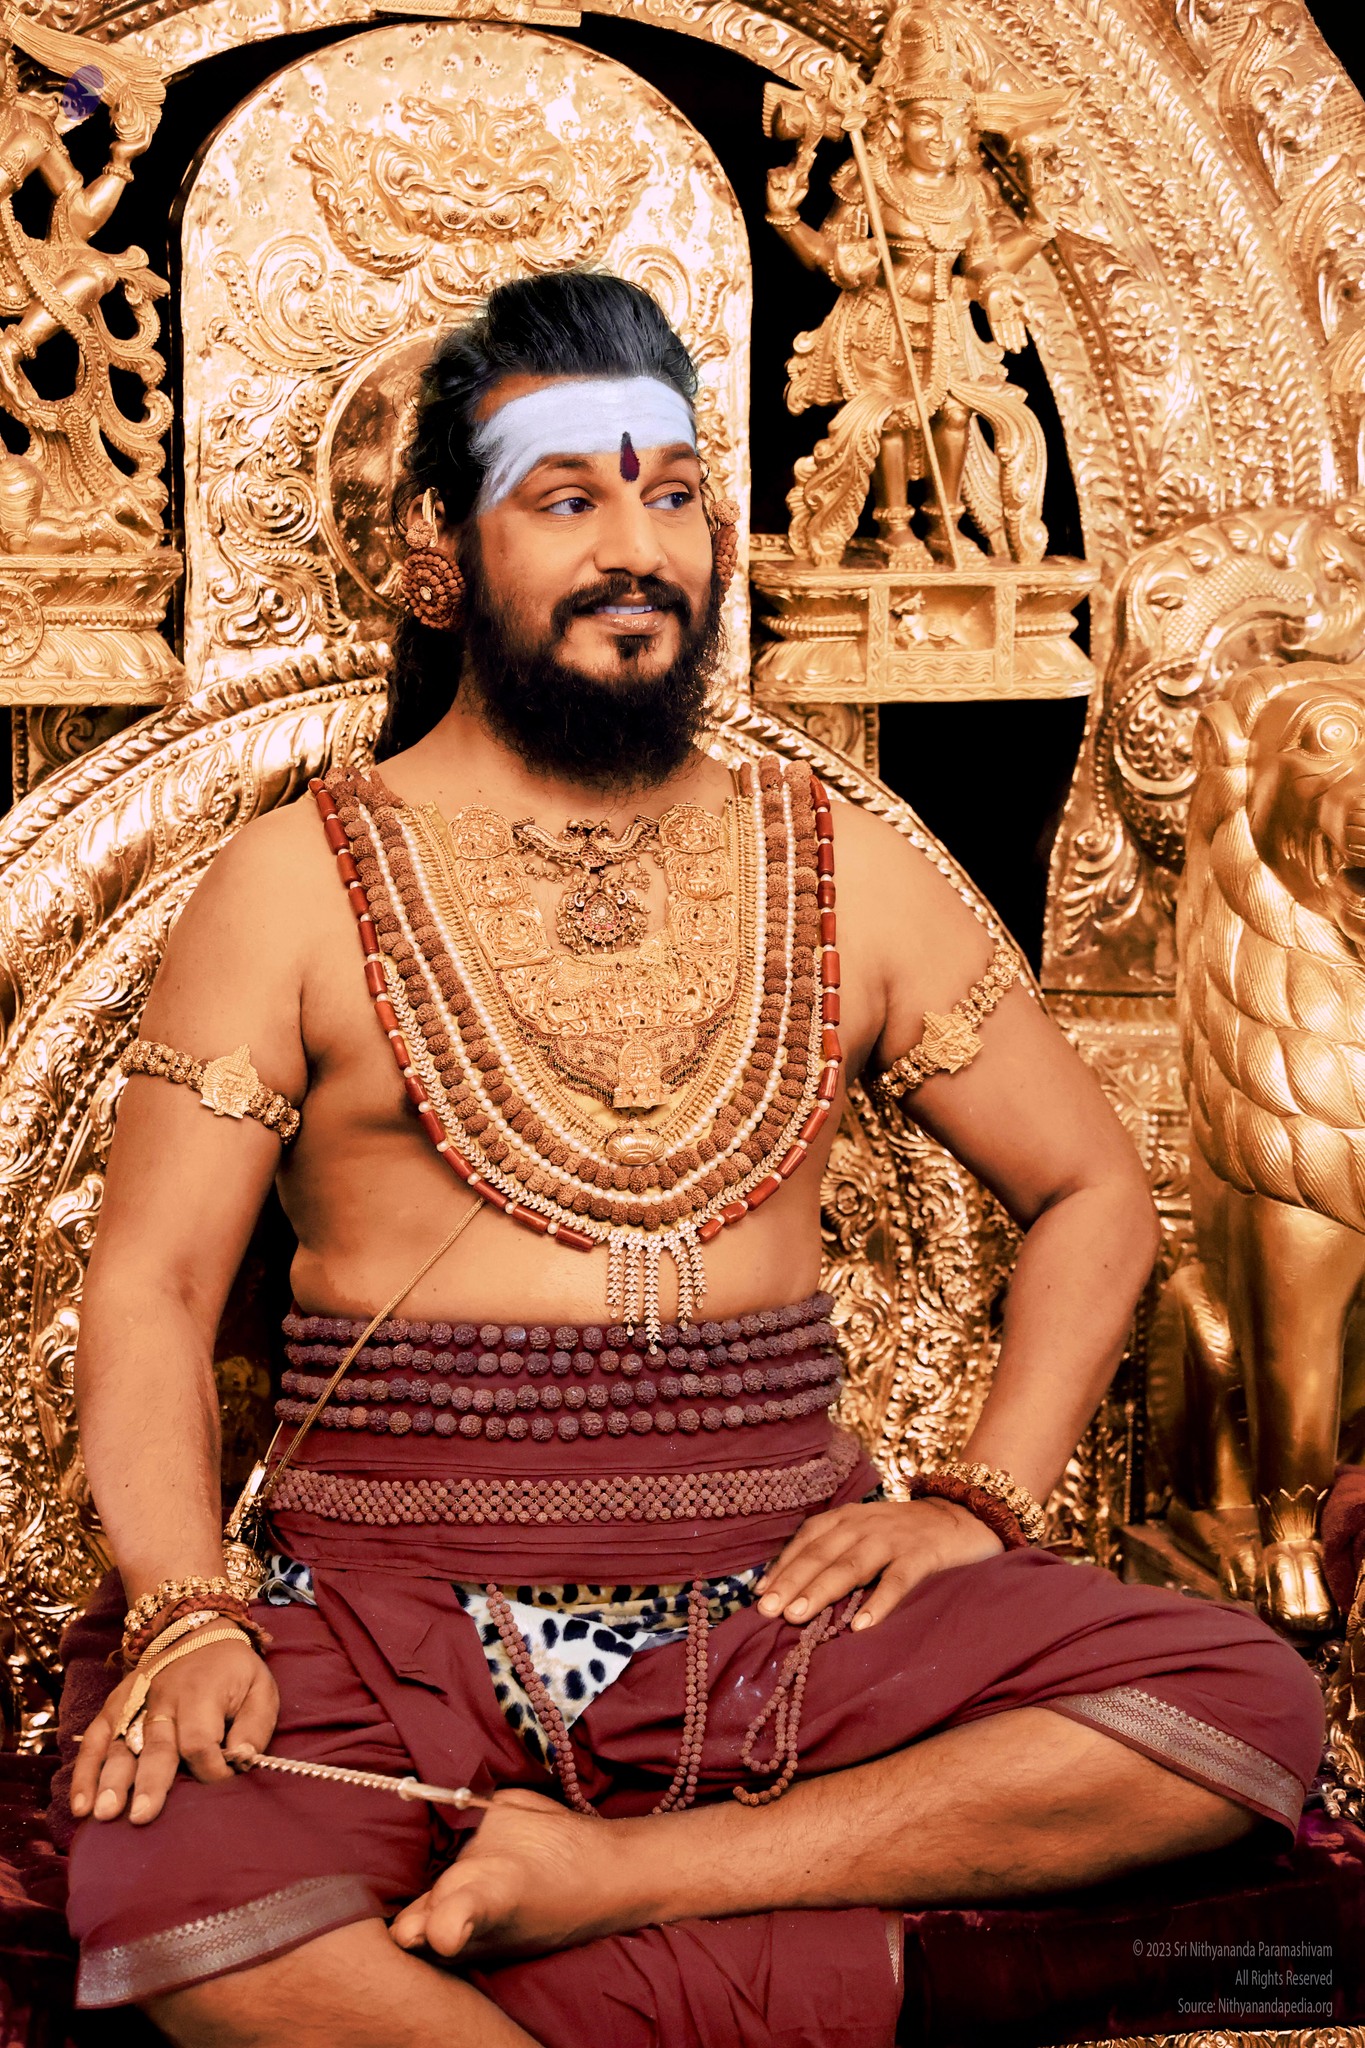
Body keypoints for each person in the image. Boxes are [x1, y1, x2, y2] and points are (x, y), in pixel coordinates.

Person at [52, 270, 1323, 2048]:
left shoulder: (844, 864)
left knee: (1232, 1704)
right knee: (179, 1896)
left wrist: (973, 1506)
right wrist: (190, 1614)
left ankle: (611, 1889)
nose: (633, 547)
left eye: (670, 493)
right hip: (384, 1626)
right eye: (565, 498)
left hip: (777, 1621)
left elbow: (1094, 1194)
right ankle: (745, 1966)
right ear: (438, 550)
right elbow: (155, 1285)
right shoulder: (293, 882)